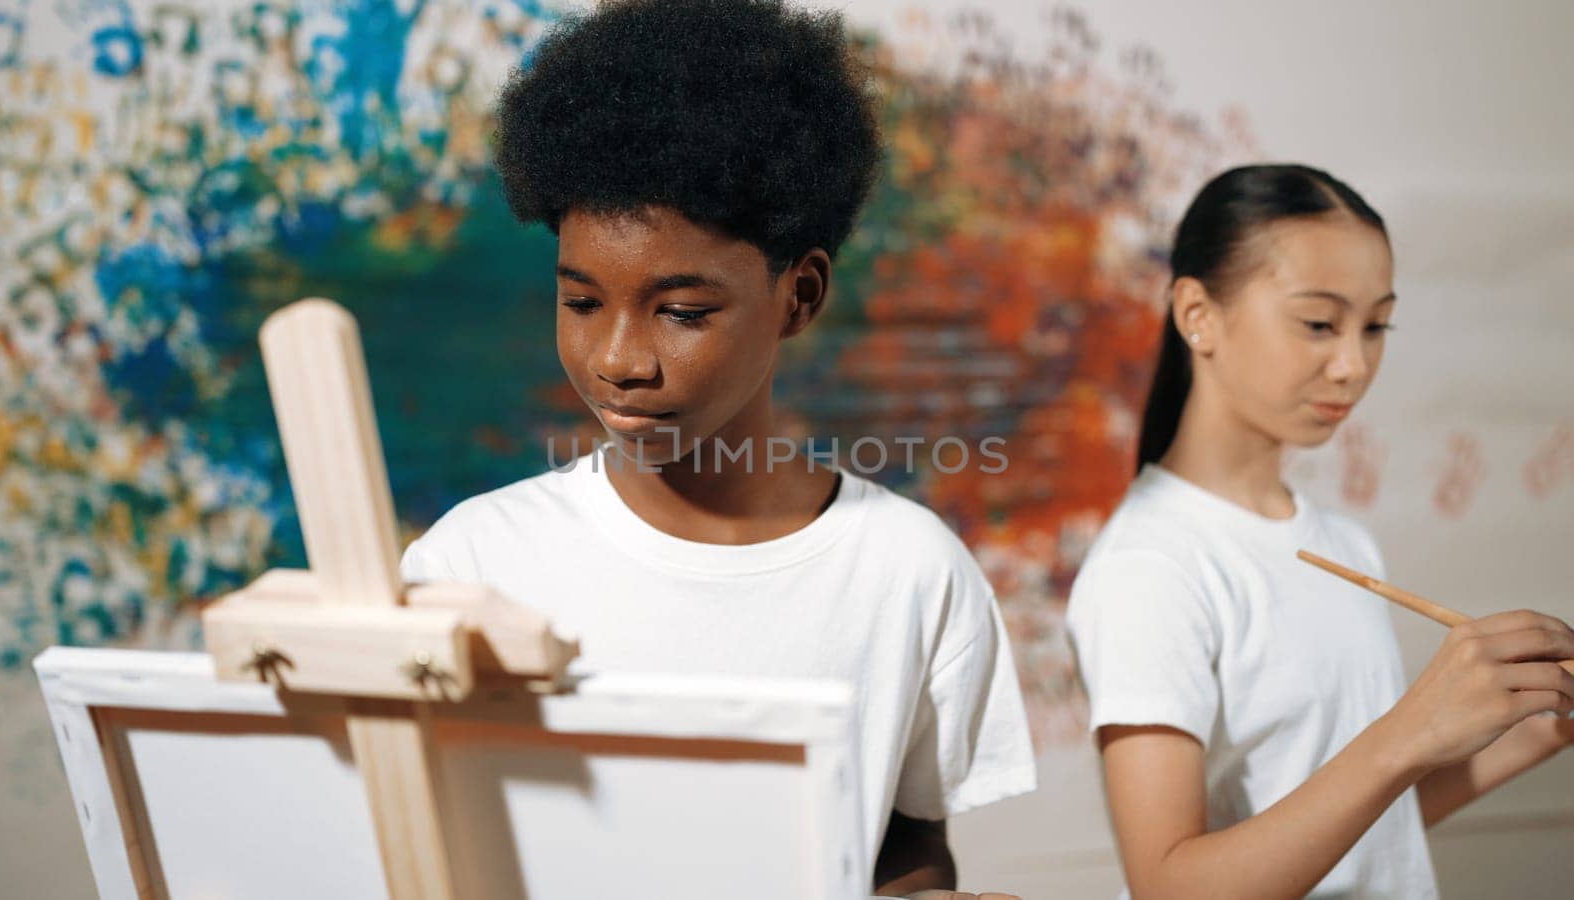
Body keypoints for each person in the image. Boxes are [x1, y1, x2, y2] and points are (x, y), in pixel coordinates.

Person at [399, 1, 1036, 893]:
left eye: (682, 312)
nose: (619, 360)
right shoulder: (472, 565)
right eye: (581, 302)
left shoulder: (908, 574)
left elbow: (904, 848)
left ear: (799, 296)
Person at [1065, 163, 1574, 899]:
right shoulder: (1150, 565)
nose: (1354, 364)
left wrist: (1545, 722)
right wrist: (1406, 735)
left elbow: (1362, 825)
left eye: (1376, 326)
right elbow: (1168, 886)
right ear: (1197, 315)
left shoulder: (1341, 540)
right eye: (1318, 324)